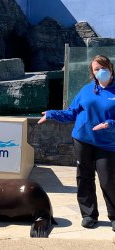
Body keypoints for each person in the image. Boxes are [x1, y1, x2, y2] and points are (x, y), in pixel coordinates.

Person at [38, 54, 115, 231]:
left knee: (108, 180)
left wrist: (110, 124)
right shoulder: (86, 90)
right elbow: (72, 113)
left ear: (111, 68)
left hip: (108, 143)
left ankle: (114, 216)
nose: (101, 71)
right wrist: (52, 114)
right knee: (84, 177)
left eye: (104, 68)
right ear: (92, 73)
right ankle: (89, 215)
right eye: (97, 69)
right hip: (83, 139)